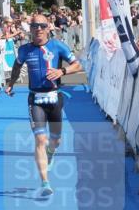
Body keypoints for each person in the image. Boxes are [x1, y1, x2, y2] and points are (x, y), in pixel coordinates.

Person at [5, 13, 82, 198]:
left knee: (55, 141)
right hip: (35, 99)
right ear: (29, 29)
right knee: (40, 139)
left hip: (54, 98)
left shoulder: (58, 46)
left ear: (48, 27)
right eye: (34, 26)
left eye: (41, 25)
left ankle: (51, 151)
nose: (38, 29)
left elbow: (77, 65)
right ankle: (45, 182)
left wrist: (62, 71)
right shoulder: (24, 50)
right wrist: (11, 83)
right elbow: (16, 67)